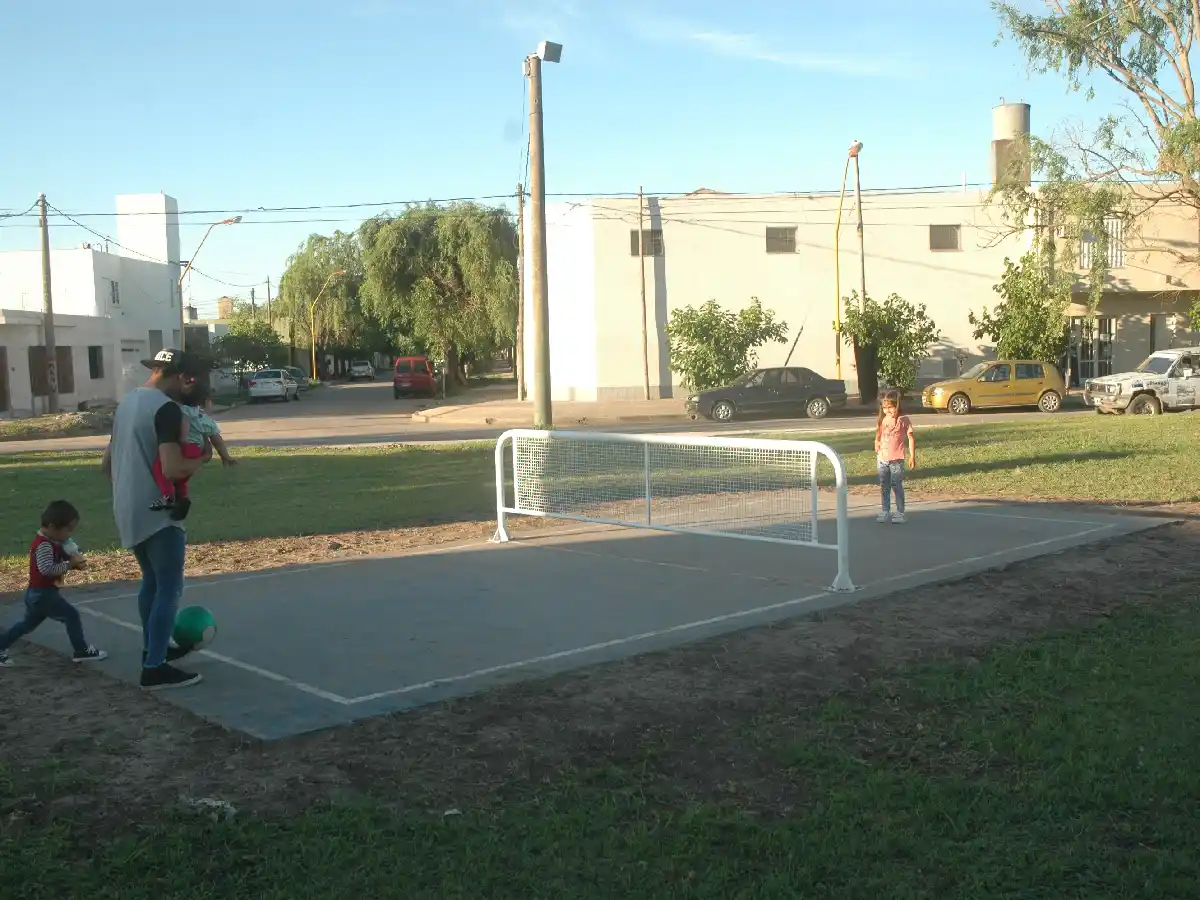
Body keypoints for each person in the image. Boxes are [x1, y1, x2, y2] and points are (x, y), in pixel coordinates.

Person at [102, 348, 212, 690]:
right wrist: (204, 457)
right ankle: (154, 667)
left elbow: (106, 464)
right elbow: (173, 467)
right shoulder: (165, 409)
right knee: (168, 587)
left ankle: (155, 648)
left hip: (128, 506)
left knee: (150, 581)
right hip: (159, 510)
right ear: (181, 377)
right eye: (190, 381)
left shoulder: (128, 403)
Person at [0, 500, 107, 667]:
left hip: (37, 594)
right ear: (52, 527)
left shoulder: (53, 542)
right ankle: (81, 650)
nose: (70, 534)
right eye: (68, 530)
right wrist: (69, 565)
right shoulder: (44, 546)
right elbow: (47, 569)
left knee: (26, 625)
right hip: (43, 594)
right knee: (71, 616)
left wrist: (74, 561)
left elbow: (57, 562)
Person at [150, 375, 237, 519]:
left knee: (160, 468)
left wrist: (183, 437)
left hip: (186, 446)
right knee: (182, 478)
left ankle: (167, 496)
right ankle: (182, 498)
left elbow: (184, 422)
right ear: (205, 403)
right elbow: (217, 440)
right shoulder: (209, 422)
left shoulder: (184, 410)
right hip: (197, 450)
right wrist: (225, 457)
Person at [874, 389, 916, 524]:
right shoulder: (883, 419)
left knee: (896, 485)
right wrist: (876, 442)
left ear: (896, 405)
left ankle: (900, 512)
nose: (887, 410)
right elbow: (878, 433)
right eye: (885, 408)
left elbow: (911, 438)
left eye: (890, 407)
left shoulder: (903, 420)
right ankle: (886, 510)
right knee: (884, 485)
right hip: (882, 459)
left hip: (896, 459)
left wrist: (912, 456)